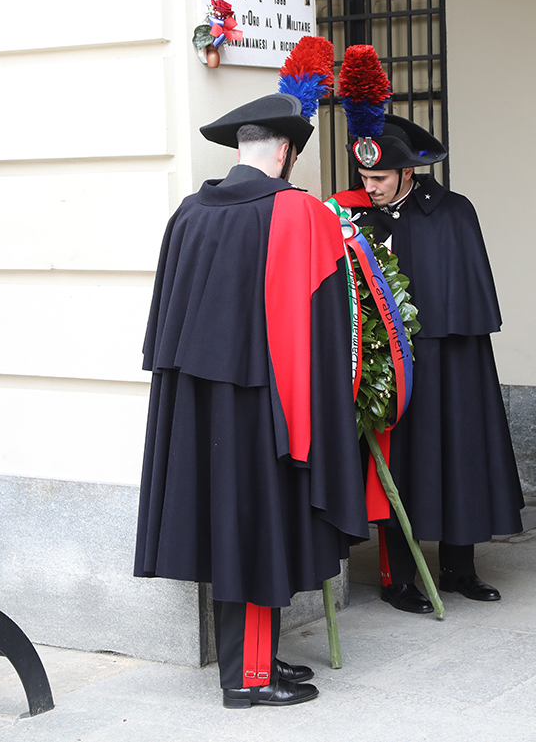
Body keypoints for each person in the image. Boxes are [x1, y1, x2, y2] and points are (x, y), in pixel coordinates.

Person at [134, 88, 366, 708]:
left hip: (199, 404)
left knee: (234, 526)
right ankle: (247, 677)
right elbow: (327, 331)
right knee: (258, 526)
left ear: (241, 149)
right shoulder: (301, 213)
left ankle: (255, 659)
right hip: (268, 403)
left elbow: (167, 323)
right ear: (287, 152)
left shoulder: (188, 212)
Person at [332, 47, 524, 614]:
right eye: (366, 177)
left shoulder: (454, 210)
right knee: (402, 469)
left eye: (383, 177)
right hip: (395, 366)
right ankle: (400, 579)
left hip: (455, 362)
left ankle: (461, 569)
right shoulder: (356, 218)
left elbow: (470, 291)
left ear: (408, 171)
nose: (374, 187)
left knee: (461, 457)